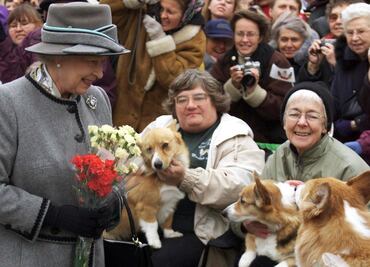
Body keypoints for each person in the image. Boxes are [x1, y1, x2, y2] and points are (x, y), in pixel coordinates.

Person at [0, 3, 129, 266]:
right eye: (93, 61)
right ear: (59, 56)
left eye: (103, 62)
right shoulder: (9, 102)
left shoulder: (98, 98)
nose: (100, 72)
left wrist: (112, 205)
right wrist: (52, 216)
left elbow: (113, 172)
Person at [232, 81, 369, 266]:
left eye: (312, 116)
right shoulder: (278, 156)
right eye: (294, 114)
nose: (302, 122)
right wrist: (246, 223)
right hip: (283, 250)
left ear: (325, 126)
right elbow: (247, 204)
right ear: (283, 123)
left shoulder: (351, 167)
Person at [143, 69, 265, 267]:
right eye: (181, 100)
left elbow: (239, 188)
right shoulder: (160, 127)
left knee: (160, 262)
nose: (190, 105)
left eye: (199, 98)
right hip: (147, 221)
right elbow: (129, 160)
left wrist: (185, 178)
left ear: (215, 101)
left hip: (200, 231)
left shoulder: (235, 135)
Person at [101, 0, 206, 132]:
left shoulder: (195, 38)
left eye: (170, 12)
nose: (163, 15)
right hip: (120, 120)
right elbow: (103, 14)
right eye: (161, 9)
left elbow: (176, 81)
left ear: (186, 14)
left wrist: (160, 42)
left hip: (158, 130)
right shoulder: (142, 17)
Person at [211, 10, 294, 143]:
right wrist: (233, 86)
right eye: (240, 34)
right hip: (230, 137)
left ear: (260, 37)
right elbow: (212, 102)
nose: (245, 40)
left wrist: (255, 92)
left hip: (269, 140)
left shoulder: (277, 61)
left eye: (250, 34)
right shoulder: (224, 61)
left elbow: (286, 107)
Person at [330, 3, 370, 143]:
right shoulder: (344, 59)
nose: (354, 38)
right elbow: (334, 99)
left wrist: (355, 124)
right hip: (341, 139)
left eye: (361, 32)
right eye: (350, 32)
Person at [0, 3, 42, 83]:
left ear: (38, 25)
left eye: (24, 23)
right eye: (13, 25)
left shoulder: (41, 46)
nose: (18, 29)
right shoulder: (4, 51)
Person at [269, 12, 314, 77]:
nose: (289, 45)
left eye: (294, 40)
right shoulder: (268, 62)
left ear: (304, 41)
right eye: (284, 39)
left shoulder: (312, 63)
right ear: (277, 41)